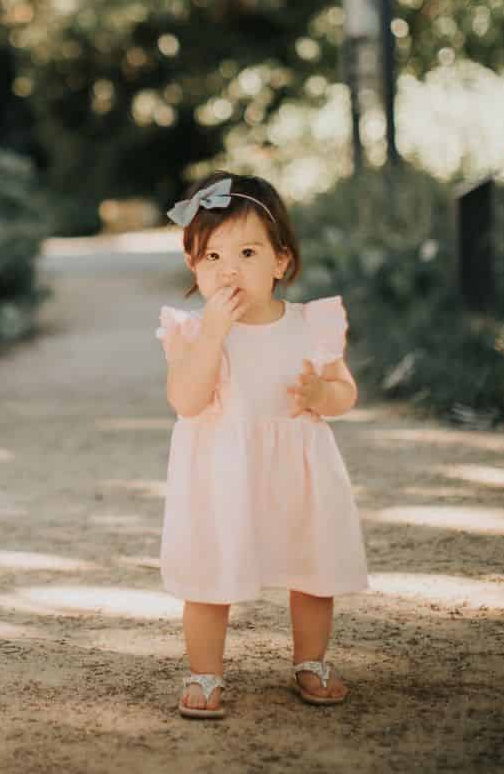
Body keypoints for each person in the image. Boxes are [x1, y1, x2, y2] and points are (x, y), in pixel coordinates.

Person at [155, 172, 369, 718]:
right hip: (221, 476)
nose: (230, 270)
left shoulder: (309, 324)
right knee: (209, 574)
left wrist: (324, 392)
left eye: (247, 252)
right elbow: (187, 399)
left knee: (312, 566)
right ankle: (205, 672)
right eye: (212, 257)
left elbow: (345, 392)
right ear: (192, 267)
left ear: (280, 261)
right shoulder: (192, 333)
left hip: (296, 475)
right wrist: (213, 334)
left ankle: (311, 660)